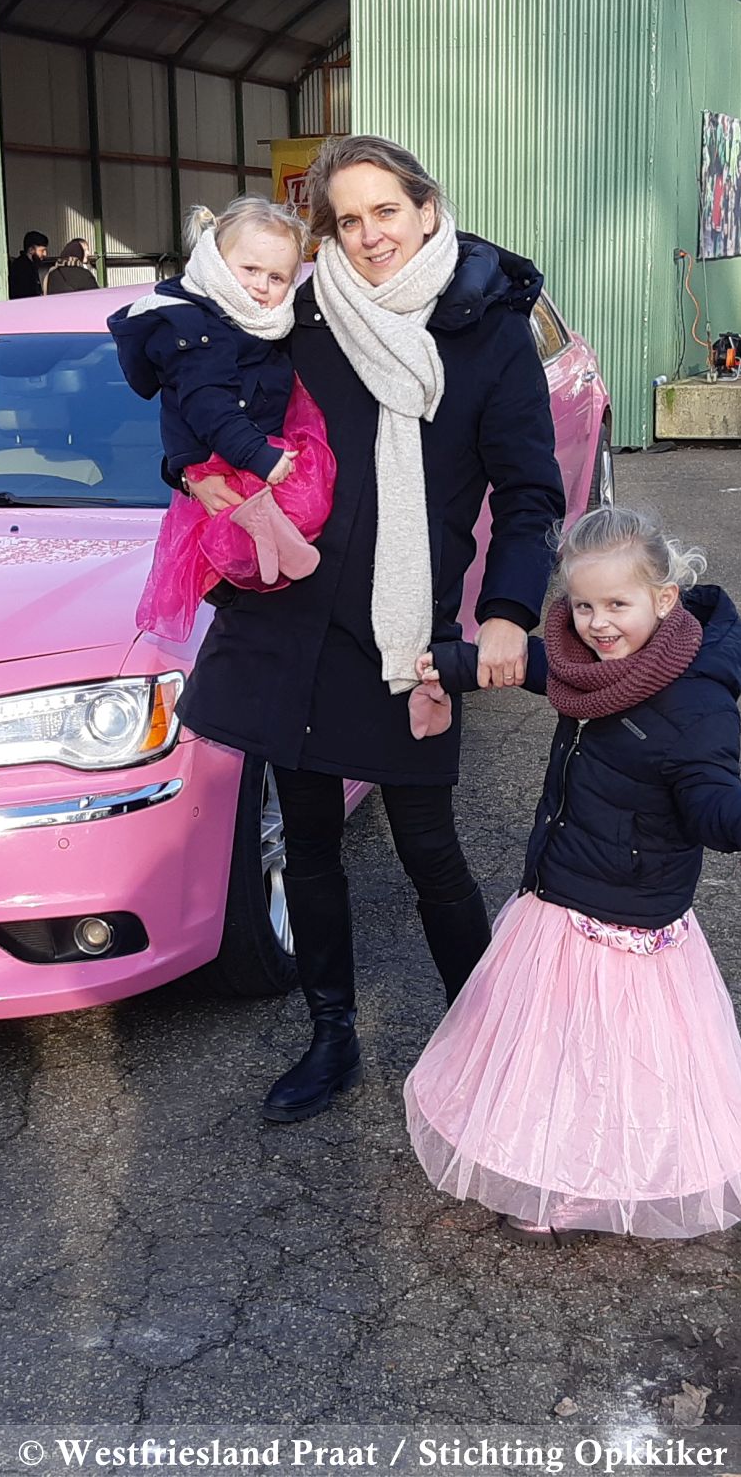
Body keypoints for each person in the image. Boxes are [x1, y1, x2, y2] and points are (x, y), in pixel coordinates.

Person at [175, 134, 565, 1124]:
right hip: (288, 613)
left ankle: (493, 1044)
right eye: (346, 221)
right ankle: (332, 1035)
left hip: (403, 631)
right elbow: (202, 386)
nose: (367, 236)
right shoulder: (299, 316)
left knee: (428, 844)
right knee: (306, 838)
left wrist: (509, 613)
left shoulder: (489, 332)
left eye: (383, 211)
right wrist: (196, 465)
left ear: (427, 208)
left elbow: (527, 494)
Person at [404, 506, 741, 1242]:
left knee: (618, 1061)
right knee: (551, 1051)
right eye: (584, 605)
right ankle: (543, 1167)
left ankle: (603, 1181)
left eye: (617, 605)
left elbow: (708, 792)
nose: (597, 624)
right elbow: (535, 666)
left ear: (662, 600)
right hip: (560, 892)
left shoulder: (696, 700)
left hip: (630, 910)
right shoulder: (589, 660)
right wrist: (452, 666)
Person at [111, 198, 335, 641]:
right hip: (226, 455)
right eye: (249, 270)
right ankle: (236, 574)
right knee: (265, 510)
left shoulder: (261, 323)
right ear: (216, 260)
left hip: (237, 450)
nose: (260, 287)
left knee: (297, 503)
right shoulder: (198, 330)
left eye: (277, 278)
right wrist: (254, 456)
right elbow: (205, 404)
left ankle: (268, 557)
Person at [8, 230, 50, 299]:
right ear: (31, 250)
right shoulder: (22, 269)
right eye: (42, 250)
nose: (45, 254)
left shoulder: (29, 265)